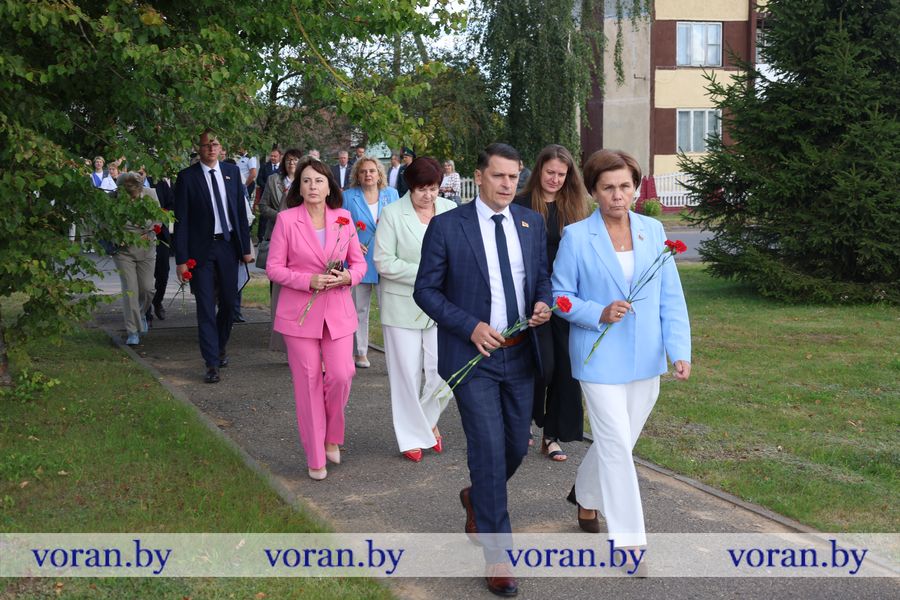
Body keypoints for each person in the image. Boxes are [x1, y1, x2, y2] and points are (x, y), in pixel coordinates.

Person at [414, 143, 551, 597]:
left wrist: (543, 302)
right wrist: (470, 326)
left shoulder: (531, 223)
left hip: (521, 353)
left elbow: (541, 276)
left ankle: (477, 496)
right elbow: (426, 291)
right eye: (499, 176)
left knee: (514, 447)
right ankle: (498, 555)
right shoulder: (448, 226)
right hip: (473, 358)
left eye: (514, 177)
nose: (508, 185)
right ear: (479, 176)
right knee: (489, 450)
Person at [551, 149, 691, 573]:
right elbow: (560, 297)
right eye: (608, 187)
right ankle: (630, 543)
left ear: (636, 188)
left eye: (625, 186)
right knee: (614, 444)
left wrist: (679, 350)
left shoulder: (653, 230)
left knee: (620, 442)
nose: (617, 195)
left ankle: (586, 497)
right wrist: (597, 312)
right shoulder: (577, 237)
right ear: (593, 191)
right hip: (597, 358)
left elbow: (670, 296)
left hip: (646, 357)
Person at [266, 157, 366, 480]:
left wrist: (348, 277)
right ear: (299, 186)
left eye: (319, 181)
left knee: (342, 374)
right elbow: (273, 268)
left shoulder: (343, 219)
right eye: (306, 180)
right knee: (308, 384)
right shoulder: (286, 220)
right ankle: (315, 456)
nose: (312, 186)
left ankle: (332, 435)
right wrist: (306, 280)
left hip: (337, 311)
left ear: (328, 187)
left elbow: (359, 264)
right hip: (299, 315)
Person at [373, 157, 456, 462]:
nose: (428, 195)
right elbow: (383, 261)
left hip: (442, 306)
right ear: (411, 187)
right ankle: (410, 436)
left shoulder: (450, 209)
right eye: (422, 189)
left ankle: (425, 422)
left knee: (446, 372)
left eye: (433, 188)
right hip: (401, 304)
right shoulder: (392, 214)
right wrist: (427, 274)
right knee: (406, 375)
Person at [513, 144, 590, 462]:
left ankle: (552, 434)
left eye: (561, 174)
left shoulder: (576, 208)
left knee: (565, 368)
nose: (555, 179)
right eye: (550, 172)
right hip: (530, 296)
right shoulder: (519, 205)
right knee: (539, 366)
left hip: (567, 298)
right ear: (539, 170)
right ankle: (523, 421)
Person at [173, 129, 253, 384]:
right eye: (206, 145)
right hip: (201, 251)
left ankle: (219, 346)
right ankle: (211, 362)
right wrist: (181, 260)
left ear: (221, 148)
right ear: (199, 148)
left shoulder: (232, 173)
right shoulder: (187, 177)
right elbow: (181, 221)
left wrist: (245, 249)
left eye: (215, 144)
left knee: (229, 303)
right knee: (206, 306)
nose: (210, 148)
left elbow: (239, 213)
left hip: (228, 247)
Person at [342, 155, 399, 368]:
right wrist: (352, 242)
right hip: (359, 260)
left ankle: (394, 356)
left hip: (387, 259)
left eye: (372, 171)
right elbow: (340, 225)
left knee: (390, 311)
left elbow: (399, 224)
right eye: (363, 171)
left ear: (379, 174)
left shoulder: (391, 194)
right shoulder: (348, 196)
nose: (368, 174)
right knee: (359, 309)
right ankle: (360, 352)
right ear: (357, 175)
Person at [258, 148, 302, 352]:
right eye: (289, 160)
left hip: (300, 237)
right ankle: (277, 331)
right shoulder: (273, 180)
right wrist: (281, 217)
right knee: (277, 284)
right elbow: (263, 206)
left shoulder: (304, 181)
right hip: (277, 233)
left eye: (296, 160)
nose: (292, 163)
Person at [111, 172, 160, 346]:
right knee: (130, 290)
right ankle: (132, 330)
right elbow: (103, 223)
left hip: (146, 248)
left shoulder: (150, 194)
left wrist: (151, 232)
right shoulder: (113, 198)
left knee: (147, 289)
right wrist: (115, 237)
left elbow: (158, 218)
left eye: (134, 193)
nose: (132, 197)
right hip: (123, 251)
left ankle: (140, 314)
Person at [255, 146, 282, 244]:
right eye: (271, 156)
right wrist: (267, 187)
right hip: (265, 195)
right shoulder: (264, 166)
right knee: (264, 217)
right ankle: (260, 238)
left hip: (278, 198)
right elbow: (259, 180)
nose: (273, 158)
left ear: (280, 157)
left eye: (275, 156)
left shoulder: (283, 168)